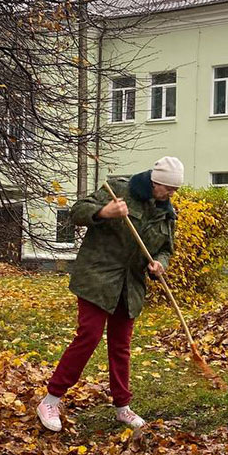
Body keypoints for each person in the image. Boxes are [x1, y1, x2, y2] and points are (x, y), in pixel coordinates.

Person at [36, 156, 183, 432]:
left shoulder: (166, 213)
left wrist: (159, 264)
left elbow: (166, 249)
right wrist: (105, 211)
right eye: (168, 189)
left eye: (175, 190)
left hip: (130, 286)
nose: (171, 195)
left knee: (120, 346)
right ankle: (50, 400)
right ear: (155, 182)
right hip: (97, 277)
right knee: (88, 337)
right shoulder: (119, 189)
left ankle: (122, 407)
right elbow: (77, 212)